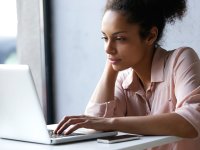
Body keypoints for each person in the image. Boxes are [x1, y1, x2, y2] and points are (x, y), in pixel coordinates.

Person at [54, 0, 200, 149]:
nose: (107, 48)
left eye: (119, 39)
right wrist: (111, 66)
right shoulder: (123, 79)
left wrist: (113, 123)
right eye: (105, 38)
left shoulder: (180, 59)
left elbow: (190, 122)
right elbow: (95, 126)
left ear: (150, 36)